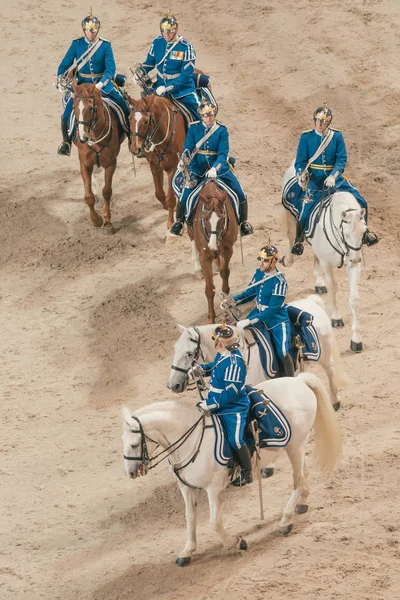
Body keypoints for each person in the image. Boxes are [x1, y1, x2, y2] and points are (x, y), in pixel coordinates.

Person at [291, 102, 379, 254]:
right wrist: (301, 174)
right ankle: (298, 241)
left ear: (328, 123)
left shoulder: (337, 136)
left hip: (335, 179)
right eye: (318, 121)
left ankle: (365, 233)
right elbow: (300, 161)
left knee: (362, 201)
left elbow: (341, 159)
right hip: (315, 180)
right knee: (305, 210)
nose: (320, 124)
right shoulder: (306, 137)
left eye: (323, 122)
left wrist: (333, 175)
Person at [169, 96, 254, 237]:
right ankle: (179, 222)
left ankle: (244, 223)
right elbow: (188, 147)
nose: (208, 118)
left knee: (239, 192)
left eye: (210, 115)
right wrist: (183, 158)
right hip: (198, 169)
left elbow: (222, 153)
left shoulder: (221, 130)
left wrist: (215, 168)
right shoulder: (194, 128)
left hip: (219, 170)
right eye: (205, 116)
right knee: (184, 195)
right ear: (201, 116)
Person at [56, 9, 130, 156]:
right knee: (66, 115)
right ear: (84, 30)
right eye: (89, 31)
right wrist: (59, 79)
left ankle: (131, 138)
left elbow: (110, 69)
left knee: (123, 107)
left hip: (103, 84)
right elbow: (64, 65)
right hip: (83, 86)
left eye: (95, 30)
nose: (92, 33)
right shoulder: (76, 45)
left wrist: (100, 84)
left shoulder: (105, 45)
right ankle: (66, 142)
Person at [192, 323, 253, 487]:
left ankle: (247, 472)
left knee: (235, 440)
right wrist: (201, 370)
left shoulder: (234, 363)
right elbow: (214, 367)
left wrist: (209, 404)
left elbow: (230, 394)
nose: (215, 343)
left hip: (233, 408)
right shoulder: (222, 354)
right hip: (216, 401)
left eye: (218, 341)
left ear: (224, 343)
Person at [231, 244, 295, 378]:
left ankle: (291, 378)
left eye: (265, 260)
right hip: (258, 312)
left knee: (282, 351)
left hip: (276, 319)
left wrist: (249, 320)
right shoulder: (259, 273)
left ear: (274, 261)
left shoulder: (280, 282)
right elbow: (250, 293)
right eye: (261, 259)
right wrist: (233, 300)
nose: (262, 263)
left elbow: (272, 310)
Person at [137, 12, 200, 119]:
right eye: (164, 32)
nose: (166, 35)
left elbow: (186, 76)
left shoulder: (186, 47)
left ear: (176, 30)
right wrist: (140, 72)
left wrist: (166, 88)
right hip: (159, 86)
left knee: (198, 113)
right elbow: (150, 62)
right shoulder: (157, 42)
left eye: (170, 32)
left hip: (182, 90)